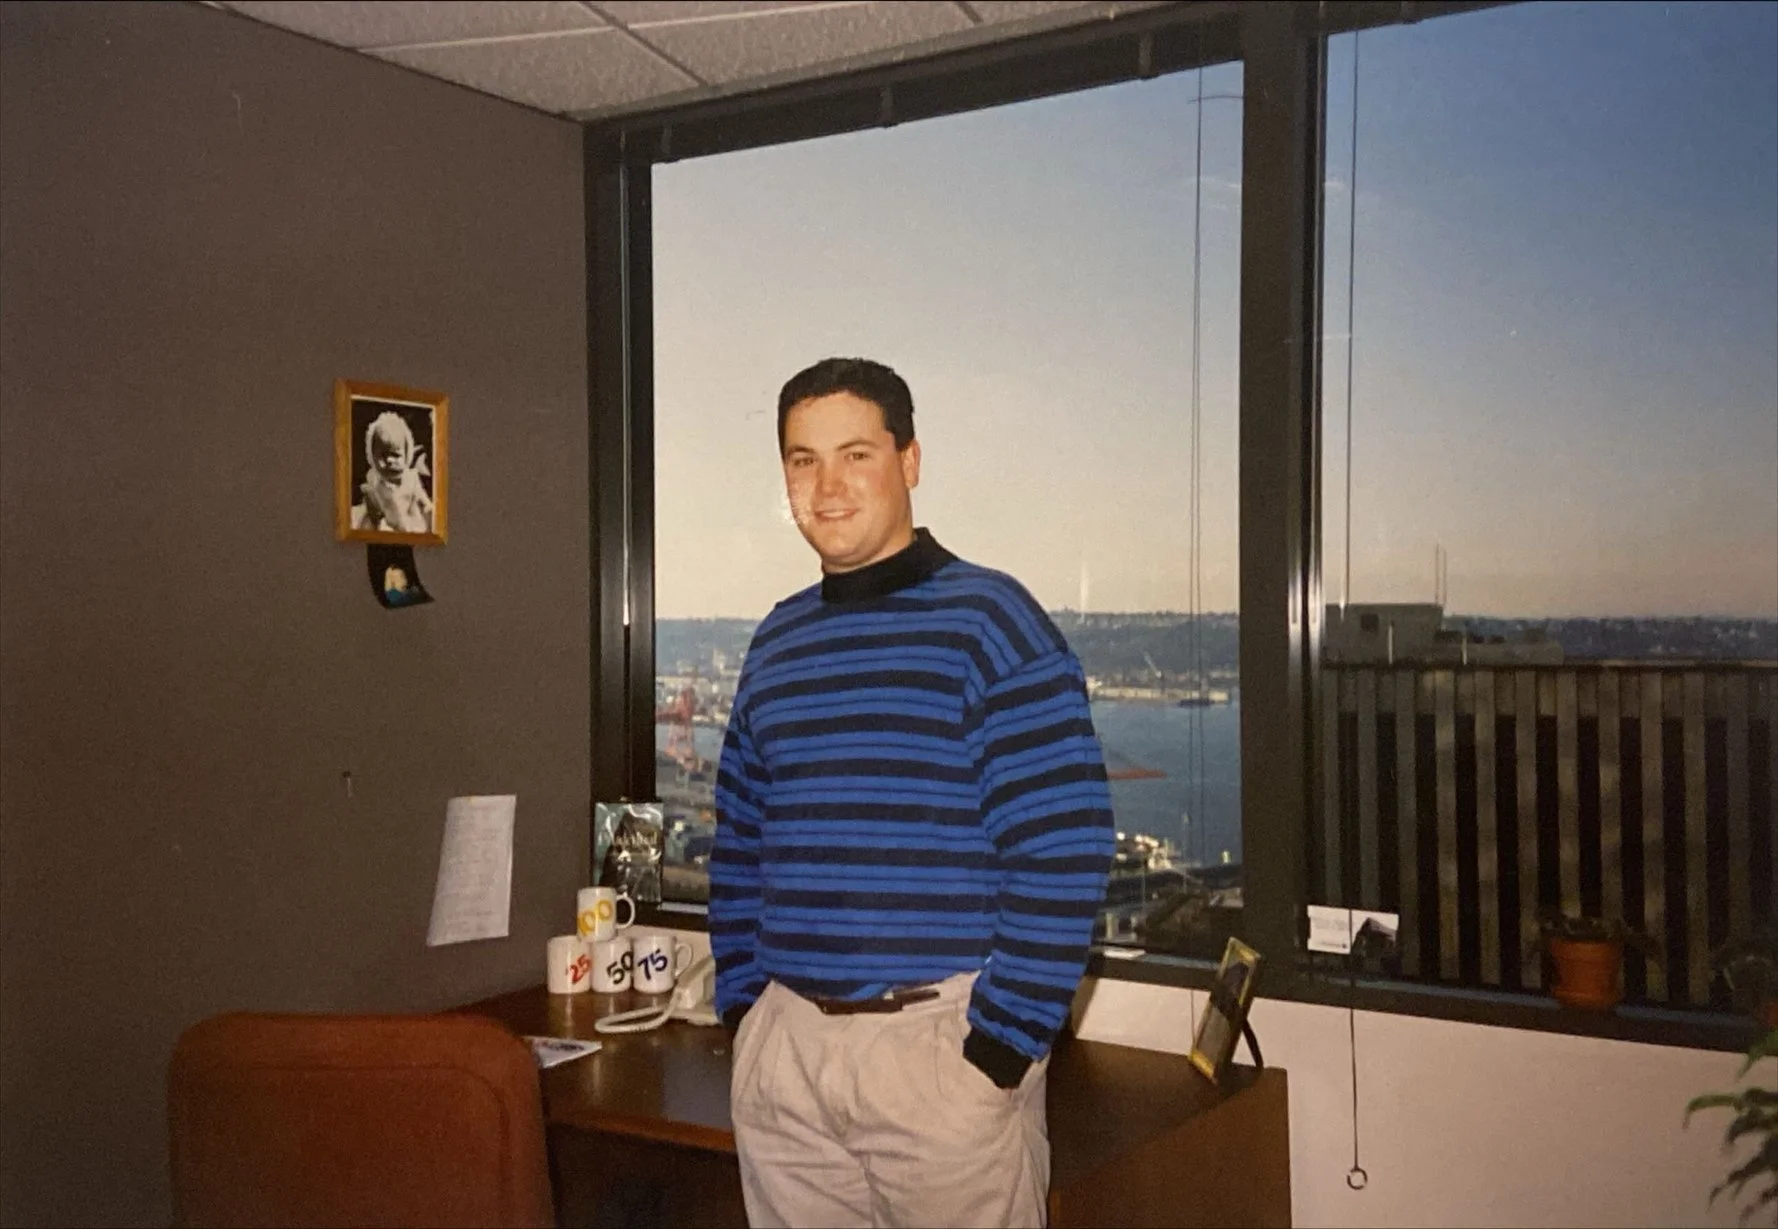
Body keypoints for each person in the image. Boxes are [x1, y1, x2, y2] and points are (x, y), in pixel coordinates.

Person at [710, 357, 1116, 1229]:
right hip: (787, 1058)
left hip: (937, 1057)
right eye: (802, 459)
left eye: (855, 454)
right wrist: (746, 1008)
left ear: (911, 461)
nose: (826, 486)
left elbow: (1065, 847)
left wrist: (998, 1049)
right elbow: (739, 841)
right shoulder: (776, 641)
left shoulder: (991, 622)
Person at [351, 410, 433, 533]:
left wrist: (427, 508)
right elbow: (373, 506)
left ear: (407, 455)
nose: (389, 460)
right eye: (382, 455)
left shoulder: (411, 478)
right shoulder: (375, 480)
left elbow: (423, 501)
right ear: (372, 457)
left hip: (409, 523)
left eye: (396, 455)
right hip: (381, 524)